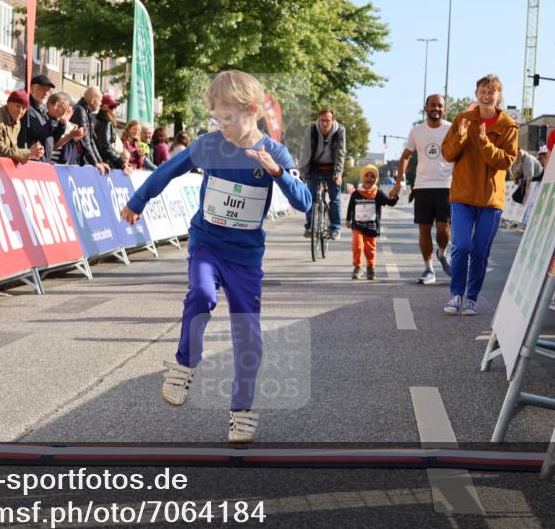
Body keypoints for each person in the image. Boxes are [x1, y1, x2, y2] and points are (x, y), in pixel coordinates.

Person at [119, 70, 312, 443]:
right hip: (207, 242)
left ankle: (241, 411)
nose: (221, 126)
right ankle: (184, 364)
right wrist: (137, 201)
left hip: (245, 257)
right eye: (216, 118)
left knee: (248, 336)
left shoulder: (274, 152)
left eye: (228, 118)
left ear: (252, 110)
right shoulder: (209, 146)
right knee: (203, 295)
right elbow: (168, 171)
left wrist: (278, 174)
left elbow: (304, 202)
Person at [440, 74, 518, 316]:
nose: (486, 96)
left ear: (499, 96)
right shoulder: (463, 120)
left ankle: (471, 297)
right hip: (462, 195)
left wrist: (485, 143)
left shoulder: (508, 126)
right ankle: (456, 295)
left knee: (480, 251)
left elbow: (506, 161)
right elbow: (447, 154)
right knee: (462, 246)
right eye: (483, 91)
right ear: (476, 94)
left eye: (491, 92)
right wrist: (461, 136)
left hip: (490, 199)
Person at [391, 94, 452, 284]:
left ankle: (442, 253)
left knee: (444, 229)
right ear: (425, 108)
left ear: (444, 109)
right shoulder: (416, 131)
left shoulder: (452, 129)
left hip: (446, 186)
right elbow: (406, 155)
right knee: (424, 230)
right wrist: (398, 182)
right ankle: (428, 269)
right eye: (432, 105)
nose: (436, 108)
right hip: (423, 186)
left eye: (440, 105)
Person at [300, 108, 346, 240]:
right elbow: (305, 151)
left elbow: (340, 152)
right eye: (322, 120)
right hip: (314, 166)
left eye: (328, 120)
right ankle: (309, 226)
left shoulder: (340, 131)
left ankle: (335, 229)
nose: (324, 123)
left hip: (332, 168)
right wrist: (302, 170)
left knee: (335, 199)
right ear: (318, 120)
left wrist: (338, 173)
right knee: (310, 198)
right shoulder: (312, 130)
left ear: (333, 120)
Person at [347, 164, 398, 280]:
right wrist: (347, 220)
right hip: (357, 225)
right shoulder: (356, 193)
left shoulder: (378, 193)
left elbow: (390, 203)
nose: (369, 178)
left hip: (371, 226)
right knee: (357, 245)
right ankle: (357, 267)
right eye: (367, 175)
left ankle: (370, 268)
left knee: (370, 249)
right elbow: (350, 207)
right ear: (362, 178)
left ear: (376, 179)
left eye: (372, 176)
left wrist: (395, 195)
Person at [63, 86, 109, 174]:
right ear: (93, 100)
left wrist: (99, 161)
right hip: (71, 159)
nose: (101, 104)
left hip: (76, 158)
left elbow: (90, 140)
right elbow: (85, 140)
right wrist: (95, 163)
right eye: (100, 100)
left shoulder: (86, 112)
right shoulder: (80, 111)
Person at [93, 93, 131, 172]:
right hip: (105, 164)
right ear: (104, 107)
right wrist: (120, 162)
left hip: (102, 162)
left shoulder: (100, 120)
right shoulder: (105, 122)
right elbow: (105, 146)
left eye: (115, 106)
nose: (114, 109)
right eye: (112, 106)